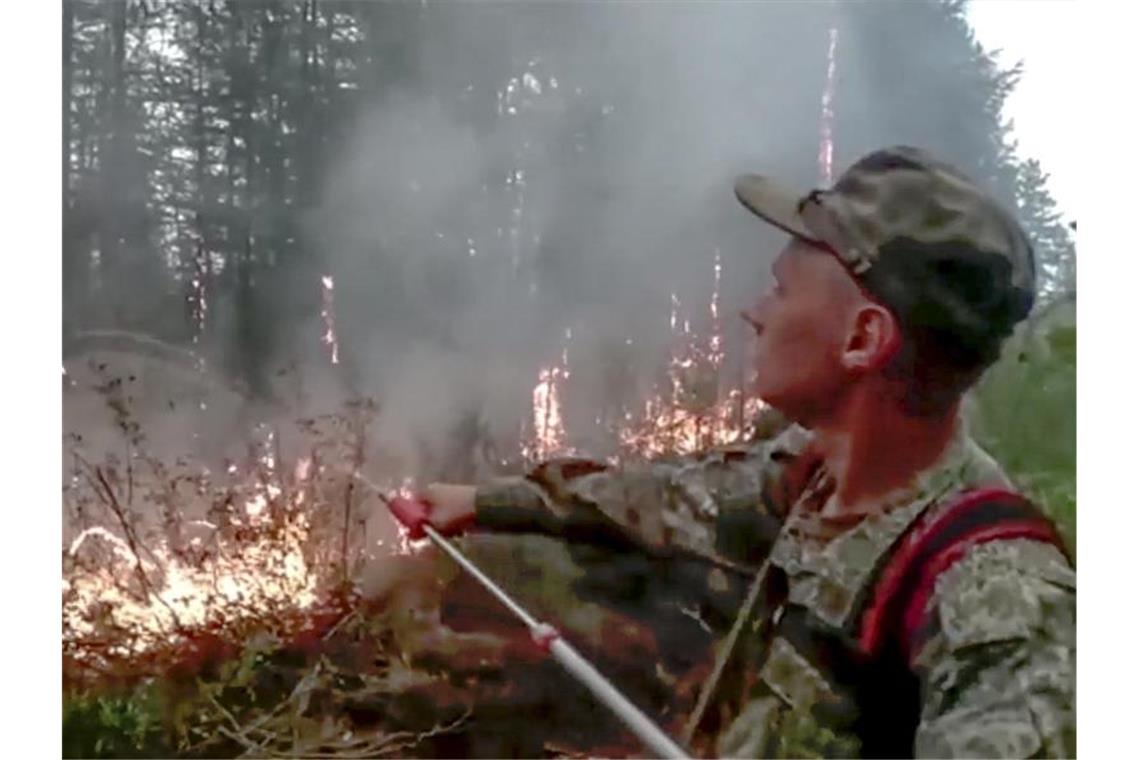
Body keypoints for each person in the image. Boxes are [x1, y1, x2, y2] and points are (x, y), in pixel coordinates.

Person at [392, 146, 1076, 758]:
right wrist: (478, 503)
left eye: (781, 290)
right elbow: (659, 497)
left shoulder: (999, 608)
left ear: (864, 339)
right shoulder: (812, 481)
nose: (754, 311)